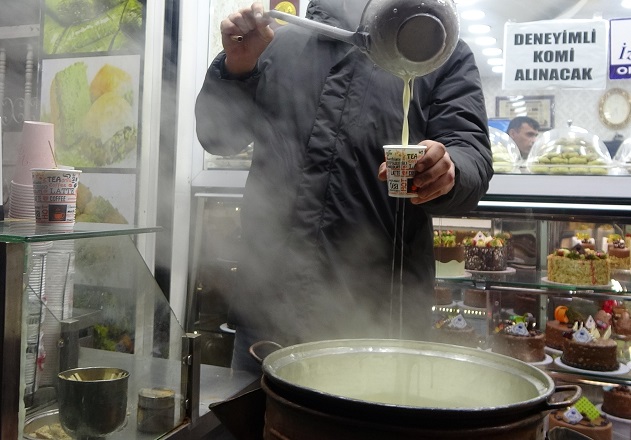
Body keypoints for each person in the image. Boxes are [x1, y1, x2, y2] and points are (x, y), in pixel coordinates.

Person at [195, 0, 493, 373]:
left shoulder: (435, 52)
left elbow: (472, 154)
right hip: (265, 313)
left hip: (377, 321)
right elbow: (217, 138)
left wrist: (450, 169)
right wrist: (237, 67)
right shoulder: (279, 43)